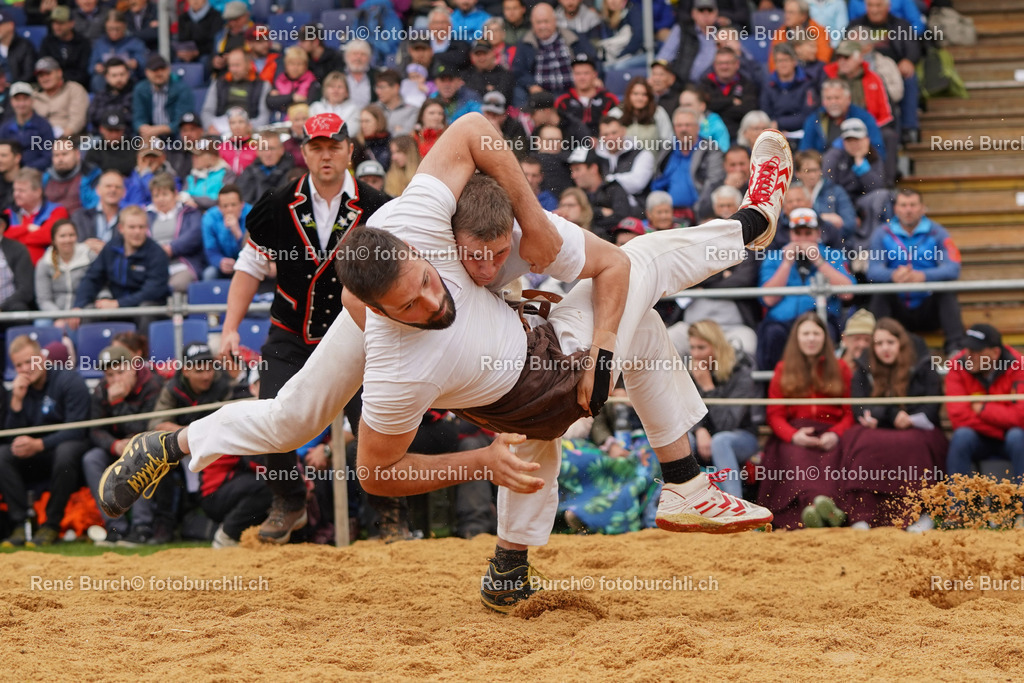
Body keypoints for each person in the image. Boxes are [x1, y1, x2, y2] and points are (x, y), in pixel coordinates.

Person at [98, 121, 793, 611]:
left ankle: (172, 444)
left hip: (514, 349)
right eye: (414, 302)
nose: (436, 300)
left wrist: (532, 218)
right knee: (641, 265)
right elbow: (376, 472)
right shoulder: (397, 359)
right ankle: (754, 226)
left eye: (430, 282)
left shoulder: (417, 224)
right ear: (380, 309)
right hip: (533, 378)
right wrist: (477, 462)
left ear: (423, 248)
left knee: (292, 414)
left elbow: (470, 129)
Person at [191, 112, 393, 544]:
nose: (325, 155)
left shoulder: (379, 206)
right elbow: (250, 264)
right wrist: (230, 327)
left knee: (375, 424)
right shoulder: (277, 203)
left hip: (357, 334)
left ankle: (390, 514)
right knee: (270, 415)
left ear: (349, 151)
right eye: (316, 147)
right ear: (304, 152)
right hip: (290, 332)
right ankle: (289, 500)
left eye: (334, 146)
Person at [842, 317, 946, 529]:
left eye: (890, 342)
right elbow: (858, 406)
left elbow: (932, 405)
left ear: (901, 343)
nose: (885, 348)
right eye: (879, 343)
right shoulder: (864, 367)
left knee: (913, 445)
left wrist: (907, 418)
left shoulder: (922, 365)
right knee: (863, 442)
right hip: (880, 428)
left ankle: (920, 513)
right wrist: (890, 415)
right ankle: (863, 514)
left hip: (917, 428)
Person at [758, 311, 854, 529]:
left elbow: (850, 412)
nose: (811, 339)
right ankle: (815, 512)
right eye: (806, 334)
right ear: (797, 338)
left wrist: (836, 434)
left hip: (832, 433)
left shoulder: (841, 368)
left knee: (834, 461)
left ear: (824, 337)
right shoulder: (783, 369)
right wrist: (793, 436)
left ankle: (829, 512)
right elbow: (775, 414)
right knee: (797, 459)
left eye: (816, 333)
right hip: (795, 434)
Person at [148, 341, 244, 547]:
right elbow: (156, 425)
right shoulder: (173, 388)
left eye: (209, 368)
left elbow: (236, 420)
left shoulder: (224, 384)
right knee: (158, 456)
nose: (207, 376)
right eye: (199, 370)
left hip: (219, 451)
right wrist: (190, 435)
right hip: (183, 451)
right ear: (185, 371)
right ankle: (164, 524)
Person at [0, 335, 90, 547]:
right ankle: (20, 523)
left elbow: (78, 429)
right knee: (2, 454)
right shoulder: (20, 390)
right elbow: (11, 438)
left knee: (66, 451)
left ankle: (51, 525)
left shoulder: (69, 380)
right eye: (19, 365)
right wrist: (16, 402)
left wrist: (39, 445)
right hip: (35, 456)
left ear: (42, 357)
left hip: (65, 453)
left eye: (29, 361)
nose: (25, 369)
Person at [82, 344, 169, 546]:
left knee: (143, 453)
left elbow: (146, 427)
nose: (115, 380)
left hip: (146, 445)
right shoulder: (101, 390)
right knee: (91, 459)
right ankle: (115, 528)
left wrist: (118, 403)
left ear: (133, 368)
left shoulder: (152, 385)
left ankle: (141, 527)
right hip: (116, 447)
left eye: (120, 372)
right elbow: (94, 430)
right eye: (110, 375)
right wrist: (114, 445)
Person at [866, 188, 965, 354]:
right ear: (896, 209)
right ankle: (876, 349)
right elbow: (872, 270)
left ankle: (955, 349)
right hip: (896, 311)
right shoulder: (882, 233)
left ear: (922, 208)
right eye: (903, 205)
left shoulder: (938, 232)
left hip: (928, 307)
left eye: (912, 205)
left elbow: (953, 268)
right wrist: (893, 275)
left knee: (946, 292)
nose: (908, 210)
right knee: (880, 293)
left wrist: (923, 276)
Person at [757, 207, 854, 372]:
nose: (802, 239)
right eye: (798, 233)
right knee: (772, 335)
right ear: (791, 234)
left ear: (818, 234)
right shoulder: (774, 257)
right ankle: (773, 384)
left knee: (826, 333)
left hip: (820, 319)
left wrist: (819, 261)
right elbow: (768, 299)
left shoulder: (832, 255)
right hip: (782, 321)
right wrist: (786, 264)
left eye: (808, 233)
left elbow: (847, 293)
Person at [685, 320, 761, 500]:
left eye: (701, 348)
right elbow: (684, 411)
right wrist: (699, 429)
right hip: (704, 436)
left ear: (717, 347)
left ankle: (735, 505)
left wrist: (708, 387)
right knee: (682, 439)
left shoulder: (740, 370)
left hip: (741, 436)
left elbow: (727, 424)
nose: (696, 354)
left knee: (720, 441)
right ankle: (684, 502)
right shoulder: (692, 371)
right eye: (692, 348)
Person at [945, 324, 1024, 486]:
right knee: (961, 437)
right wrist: (1001, 430)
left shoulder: (1019, 366)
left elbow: (1021, 416)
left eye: (976, 351)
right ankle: (957, 501)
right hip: (981, 437)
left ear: (995, 353)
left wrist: (983, 409)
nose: (969, 356)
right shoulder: (957, 366)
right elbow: (959, 418)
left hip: (1012, 438)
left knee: (1017, 437)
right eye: (967, 349)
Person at [72, 205, 170, 325]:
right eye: (132, 227)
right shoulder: (111, 248)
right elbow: (92, 278)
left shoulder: (157, 253)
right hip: (116, 306)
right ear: (121, 228)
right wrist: (79, 306)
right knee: (89, 311)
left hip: (144, 306)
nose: (137, 232)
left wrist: (118, 303)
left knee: (146, 310)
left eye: (141, 227)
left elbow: (153, 291)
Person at [650, 108, 725, 223]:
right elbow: (657, 181)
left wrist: (698, 210)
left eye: (688, 125)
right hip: (669, 216)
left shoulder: (711, 150)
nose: (683, 129)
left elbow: (714, 182)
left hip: (699, 215)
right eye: (679, 125)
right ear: (674, 128)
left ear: (698, 127)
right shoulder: (667, 151)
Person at [512, 2, 595, 97]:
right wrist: (531, 85)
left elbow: (593, 60)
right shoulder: (525, 43)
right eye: (538, 22)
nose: (542, 26)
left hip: (573, 93)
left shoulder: (573, 38)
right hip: (541, 97)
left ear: (555, 21)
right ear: (532, 23)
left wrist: (594, 79)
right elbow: (519, 71)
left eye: (546, 21)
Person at [34, 219, 96, 334]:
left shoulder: (90, 257)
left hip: (84, 310)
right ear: (54, 240)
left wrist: (80, 311)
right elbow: (44, 300)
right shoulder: (44, 264)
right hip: (55, 314)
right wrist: (60, 317)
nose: (67, 240)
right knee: (41, 323)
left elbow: (96, 287)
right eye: (62, 236)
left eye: (71, 235)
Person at [148, 173, 205, 293]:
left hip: (182, 265)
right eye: (156, 195)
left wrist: (171, 248)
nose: (160, 199)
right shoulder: (146, 215)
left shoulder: (189, 212)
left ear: (175, 194)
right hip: (152, 266)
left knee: (174, 286)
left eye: (165, 194)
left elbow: (195, 235)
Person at [5, 167, 70, 265]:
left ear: (38, 192)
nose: (16, 194)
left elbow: (49, 236)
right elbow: (2, 235)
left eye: (21, 191)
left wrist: (14, 237)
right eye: (15, 190)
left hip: (49, 268)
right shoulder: (8, 213)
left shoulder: (57, 211)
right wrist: (27, 228)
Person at [698, 47, 760, 142]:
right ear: (714, 65)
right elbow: (704, 107)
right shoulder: (704, 84)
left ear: (737, 64)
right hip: (709, 137)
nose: (724, 67)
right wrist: (731, 101)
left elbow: (748, 111)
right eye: (720, 63)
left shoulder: (747, 84)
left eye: (728, 63)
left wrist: (718, 107)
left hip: (738, 137)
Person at [760, 43, 821, 138]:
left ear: (794, 61)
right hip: (775, 134)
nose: (783, 64)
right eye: (779, 61)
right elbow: (765, 114)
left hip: (802, 133)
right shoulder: (769, 85)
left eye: (786, 60)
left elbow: (808, 115)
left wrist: (779, 123)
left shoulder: (807, 84)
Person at [132, 54, 196, 141]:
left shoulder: (182, 89)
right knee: (140, 140)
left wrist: (157, 130)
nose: (159, 73)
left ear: (169, 70)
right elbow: (138, 117)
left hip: (176, 135)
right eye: (154, 70)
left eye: (162, 69)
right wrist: (143, 128)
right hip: (150, 135)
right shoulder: (140, 89)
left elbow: (183, 119)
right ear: (147, 72)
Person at [554, 53, 617, 139]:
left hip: (604, 143)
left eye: (586, 73)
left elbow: (616, 126)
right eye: (578, 73)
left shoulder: (609, 99)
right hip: (571, 144)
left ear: (594, 75)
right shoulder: (563, 101)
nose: (582, 77)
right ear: (572, 75)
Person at [1, 82, 54, 172]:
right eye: (17, 100)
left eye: (25, 99)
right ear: (11, 102)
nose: (21, 104)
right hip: (8, 173)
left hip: (35, 173)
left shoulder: (44, 126)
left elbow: (48, 156)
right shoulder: (5, 128)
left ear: (32, 100)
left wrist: (26, 170)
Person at [619, 77, 673, 163]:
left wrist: (659, 164)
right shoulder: (617, 113)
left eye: (644, 94)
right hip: (623, 166)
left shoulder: (658, 113)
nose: (640, 98)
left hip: (652, 165)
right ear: (629, 95)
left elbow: (668, 141)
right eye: (635, 94)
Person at [201, 184, 250, 281]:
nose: (229, 209)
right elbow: (210, 250)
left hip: (246, 264)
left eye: (233, 205)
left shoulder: (251, 214)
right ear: (219, 207)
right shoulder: (210, 217)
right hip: (222, 266)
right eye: (225, 206)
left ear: (242, 204)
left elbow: (253, 251)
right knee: (209, 274)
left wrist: (238, 233)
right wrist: (220, 262)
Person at [32, 57, 90, 138]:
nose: (44, 78)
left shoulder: (74, 89)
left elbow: (78, 120)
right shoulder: (34, 95)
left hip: (69, 138)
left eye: (48, 73)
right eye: (41, 75)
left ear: (59, 72)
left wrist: (63, 136)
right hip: (39, 138)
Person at [237, 132, 294, 205]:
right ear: (257, 151)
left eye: (272, 148)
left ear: (281, 150)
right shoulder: (248, 173)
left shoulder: (291, 173)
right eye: (263, 148)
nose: (268, 153)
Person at [0, 222, 36, 318]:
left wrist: (2, 307)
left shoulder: (18, 249)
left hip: (9, 309)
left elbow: (26, 289)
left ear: (2, 226)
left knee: (20, 311)